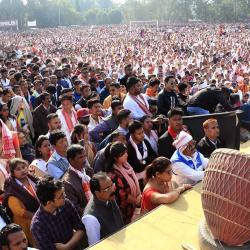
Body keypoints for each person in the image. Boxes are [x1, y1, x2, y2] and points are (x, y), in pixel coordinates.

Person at [31, 176, 87, 250]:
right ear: (49, 202)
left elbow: (81, 228)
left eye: (63, 193)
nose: (65, 196)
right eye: (61, 196)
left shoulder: (66, 204)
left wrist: (67, 246)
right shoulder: (37, 226)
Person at [3, 158, 39, 246]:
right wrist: (38, 216)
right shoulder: (12, 189)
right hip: (27, 224)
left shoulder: (33, 179)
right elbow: (19, 211)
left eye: (24, 167)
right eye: (18, 169)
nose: (22, 170)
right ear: (12, 172)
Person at [82, 172, 124, 246]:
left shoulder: (109, 197)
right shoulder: (91, 218)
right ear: (97, 193)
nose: (112, 190)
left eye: (112, 185)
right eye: (107, 189)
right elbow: (95, 246)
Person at [106, 142, 141, 224]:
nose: (126, 155)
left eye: (126, 152)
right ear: (115, 157)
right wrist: (136, 201)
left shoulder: (126, 165)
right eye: (122, 154)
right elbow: (122, 195)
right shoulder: (113, 174)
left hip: (135, 203)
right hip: (124, 209)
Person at [62, 145, 91, 217]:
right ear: (71, 160)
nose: (84, 160)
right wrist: (94, 211)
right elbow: (74, 208)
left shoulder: (88, 170)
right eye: (81, 157)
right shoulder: (67, 183)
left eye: (85, 156)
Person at [127, 120, 157, 185]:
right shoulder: (129, 147)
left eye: (142, 132)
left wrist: (144, 161)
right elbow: (137, 167)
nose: (142, 135)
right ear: (132, 135)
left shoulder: (145, 141)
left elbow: (154, 156)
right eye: (139, 134)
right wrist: (148, 161)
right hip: (139, 180)